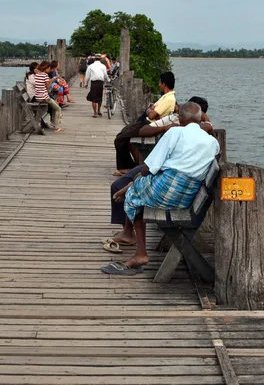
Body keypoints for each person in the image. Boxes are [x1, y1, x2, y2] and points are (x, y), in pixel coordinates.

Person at [101, 102, 220, 275]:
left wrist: (133, 183)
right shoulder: (212, 143)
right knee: (136, 187)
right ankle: (128, 192)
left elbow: (149, 167)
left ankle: (140, 253)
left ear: (180, 119)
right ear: (200, 119)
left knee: (134, 194)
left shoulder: (175, 131)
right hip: (189, 198)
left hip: (168, 193)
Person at [113, 71, 176, 175]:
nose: (158, 84)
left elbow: (151, 115)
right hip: (147, 123)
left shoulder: (169, 99)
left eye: (160, 82)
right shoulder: (165, 97)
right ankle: (131, 166)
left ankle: (127, 168)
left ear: (164, 84)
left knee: (120, 139)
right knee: (123, 134)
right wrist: (151, 111)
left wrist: (150, 111)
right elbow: (152, 110)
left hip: (149, 126)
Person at [34, 61, 64, 133]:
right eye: (48, 68)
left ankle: (54, 122)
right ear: (46, 68)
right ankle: (57, 127)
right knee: (58, 108)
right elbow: (47, 87)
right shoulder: (45, 75)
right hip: (44, 97)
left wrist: (49, 81)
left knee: (55, 104)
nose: (49, 69)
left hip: (38, 96)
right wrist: (50, 81)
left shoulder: (37, 75)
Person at [84, 53, 109, 117]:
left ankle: (95, 113)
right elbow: (105, 75)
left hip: (93, 83)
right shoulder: (103, 66)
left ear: (94, 58)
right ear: (100, 59)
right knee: (99, 97)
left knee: (94, 98)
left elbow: (87, 76)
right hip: (100, 83)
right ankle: (99, 110)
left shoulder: (90, 66)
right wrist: (108, 80)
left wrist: (86, 83)